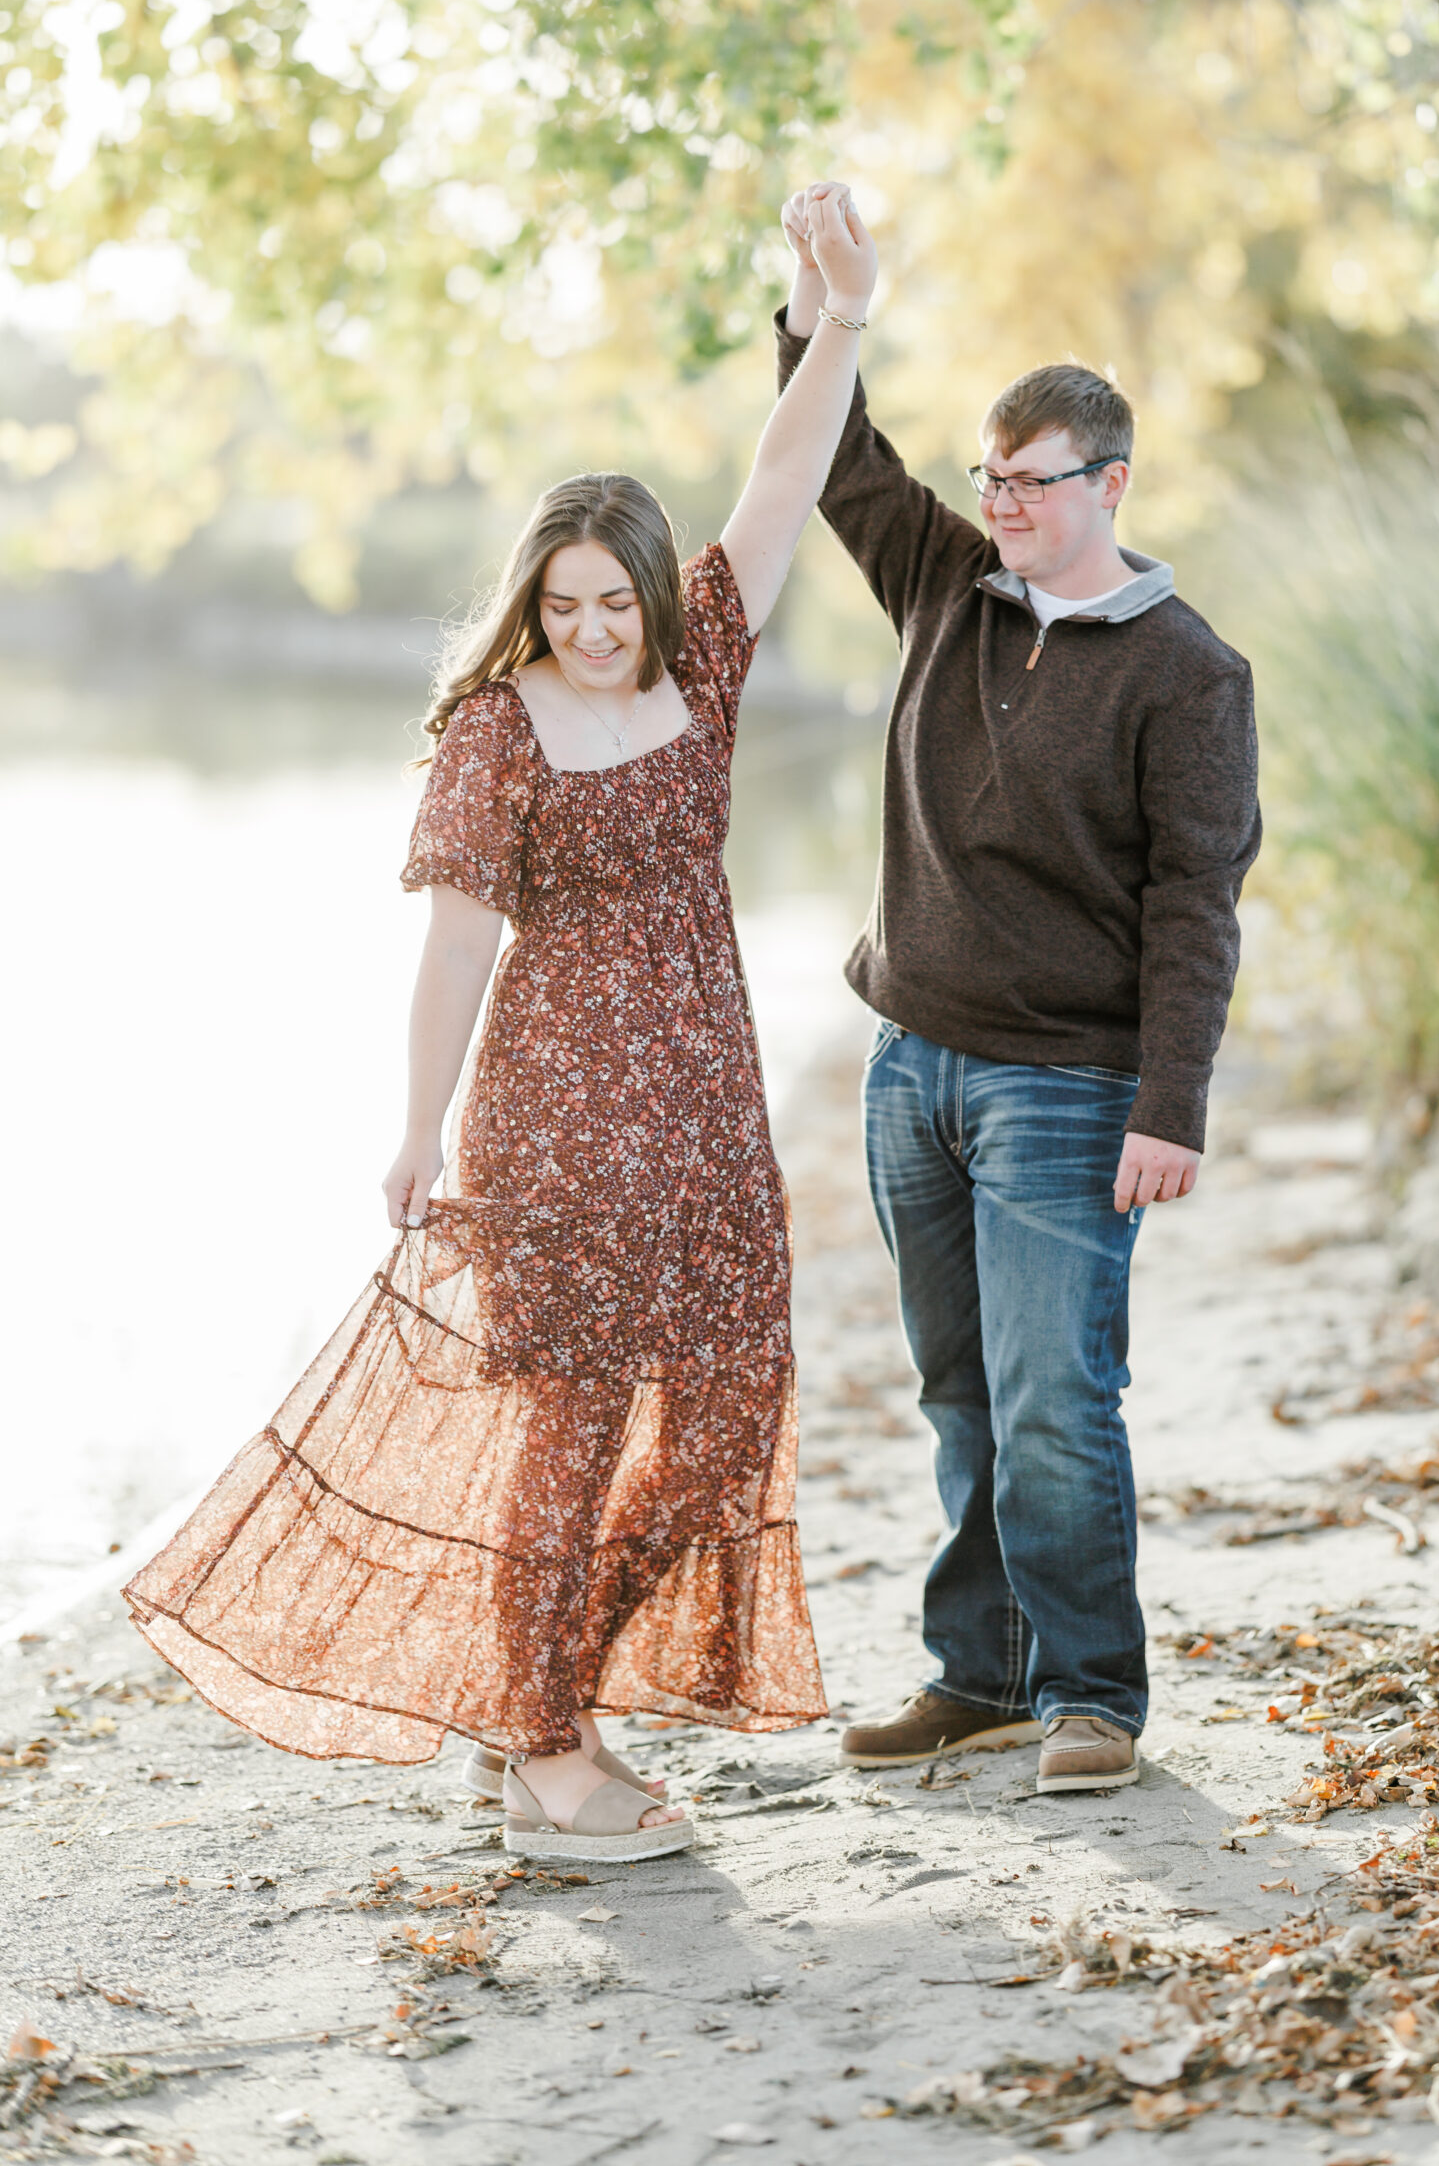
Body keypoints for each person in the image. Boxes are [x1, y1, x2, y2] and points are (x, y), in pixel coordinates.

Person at [125, 183, 879, 1864]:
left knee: (729, 1421)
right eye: (569, 605)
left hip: (706, 1110)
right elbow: (457, 953)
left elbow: (780, 478)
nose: (598, 631)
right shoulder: (494, 734)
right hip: (554, 1113)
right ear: (533, 601)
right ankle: (543, 1748)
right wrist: (411, 1129)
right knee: (575, 1424)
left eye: (620, 602)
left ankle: (538, 1684)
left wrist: (841, 317)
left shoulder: (709, 668)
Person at [776, 188, 1260, 1795]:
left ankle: (1092, 1700)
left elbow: (1195, 906)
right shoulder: (943, 584)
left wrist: (1170, 1107)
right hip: (911, 1067)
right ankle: (976, 1677)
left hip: (1066, 1088)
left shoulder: (1191, 673)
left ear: (1110, 484)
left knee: (1060, 1397)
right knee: (959, 1392)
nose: (999, 505)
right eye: (988, 478)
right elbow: (841, 464)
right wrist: (822, 308)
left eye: (1031, 483)